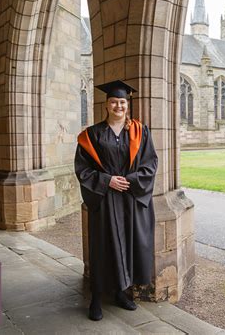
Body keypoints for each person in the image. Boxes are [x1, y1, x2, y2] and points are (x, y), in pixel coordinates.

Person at [74, 79, 158, 321]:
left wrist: (129, 180)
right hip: (105, 199)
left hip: (130, 199)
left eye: (122, 102)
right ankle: (96, 299)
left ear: (127, 104)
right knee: (102, 248)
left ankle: (122, 293)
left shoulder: (140, 132)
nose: (118, 106)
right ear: (107, 104)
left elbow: (150, 164)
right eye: (114, 102)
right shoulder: (91, 135)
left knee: (130, 247)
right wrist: (107, 181)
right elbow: (82, 169)